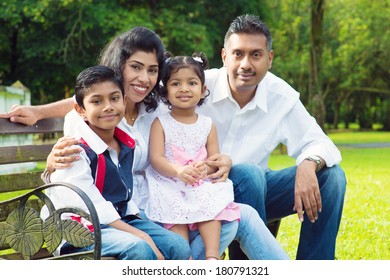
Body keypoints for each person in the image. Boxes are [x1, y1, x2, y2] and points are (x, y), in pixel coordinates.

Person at [0, 25, 289, 260]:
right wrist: (41, 121)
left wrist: (222, 159)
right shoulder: (94, 117)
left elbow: (193, 121)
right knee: (204, 234)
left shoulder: (156, 110)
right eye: (135, 67)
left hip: (162, 205)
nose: (144, 78)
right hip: (122, 215)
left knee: (243, 214)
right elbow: (83, 105)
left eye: (152, 70)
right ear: (118, 67)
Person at [194, 14, 347, 260]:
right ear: (224, 56)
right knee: (248, 172)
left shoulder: (281, 96)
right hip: (199, 191)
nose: (245, 64)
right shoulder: (197, 86)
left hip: (257, 192)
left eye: (255, 55)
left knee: (332, 177)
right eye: (238, 54)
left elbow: (321, 143)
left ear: (269, 58)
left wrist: (309, 164)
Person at [42, 65, 191, 260]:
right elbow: (91, 206)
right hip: (76, 227)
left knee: (178, 246)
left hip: (115, 219)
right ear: (80, 110)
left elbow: (124, 195)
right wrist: (141, 234)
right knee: (139, 248)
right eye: (97, 101)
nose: (108, 107)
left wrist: (140, 225)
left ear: (123, 100)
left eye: (114, 98)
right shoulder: (74, 151)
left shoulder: (126, 143)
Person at [145, 52, 240, 260]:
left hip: (198, 181)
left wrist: (204, 169)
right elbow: (156, 158)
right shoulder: (161, 123)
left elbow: (214, 160)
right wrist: (179, 171)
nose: (184, 89)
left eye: (192, 83)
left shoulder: (207, 124)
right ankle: (184, 257)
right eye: (176, 84)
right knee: (174, 210)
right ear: (165, 91)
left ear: (203, 89)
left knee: (210, 201)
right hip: (171, 180)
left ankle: (212, 256)